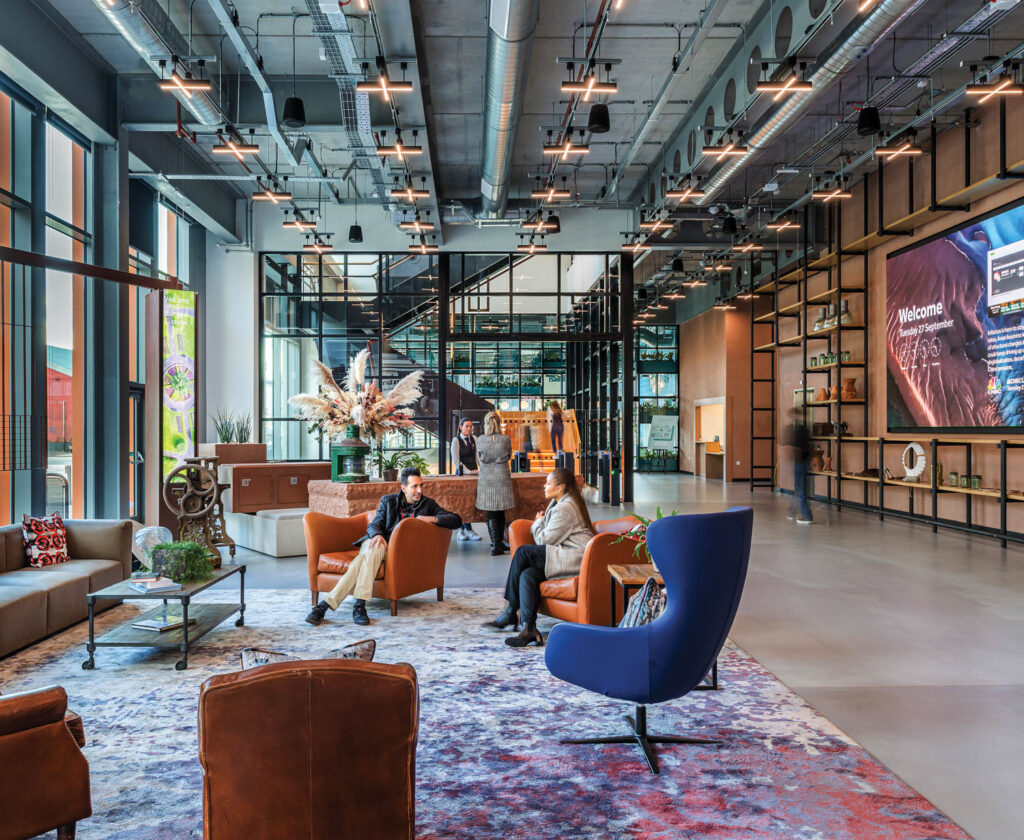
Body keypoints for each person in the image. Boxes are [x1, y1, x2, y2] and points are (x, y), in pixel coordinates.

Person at [305, 467, 462, 626]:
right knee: (376, 548)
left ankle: (323, 607)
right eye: (414, 486)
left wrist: (432, 519)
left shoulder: (428, 505)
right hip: (376, 542)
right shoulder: (388, 501)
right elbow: (373, 525)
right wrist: (378, 535)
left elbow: (456, 519)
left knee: (362, 560)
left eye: (421, 485)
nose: (419, 490)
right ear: (403, 488)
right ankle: (359, 606)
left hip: (397, 552)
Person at [483, 467, 594, 648]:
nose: (545, 486)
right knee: (528, 574)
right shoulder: (563, 502)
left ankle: (511, 611)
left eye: (548, 483)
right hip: (564, 552)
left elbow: (545, 539)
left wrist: (538, 523)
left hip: (574, 557)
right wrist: (542, 522)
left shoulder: (566, 507)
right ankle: (529, 628)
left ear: (560, 487)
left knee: (523, 553)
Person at [475, 410, 513, 556]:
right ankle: (498, 544)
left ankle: (496, 544)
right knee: (501, 510)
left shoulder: (480, 439)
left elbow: (479, 458)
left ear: (486, 424)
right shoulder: (505, 439)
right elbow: (509, 455)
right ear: (498, 423)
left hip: (486, 478)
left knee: (491, 511)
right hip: (502, 476)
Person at [451, 417, 482, 542]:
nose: (469, 429)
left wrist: (481, 469)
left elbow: (478, 457)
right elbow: (456, 461)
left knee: (471, 503)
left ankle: (462, 530)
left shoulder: (474, 439)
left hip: (475, 475)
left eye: (471, 426)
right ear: (460, 427)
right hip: (462, 475)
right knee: (463, 503)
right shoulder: (456, 441)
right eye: (467, 426)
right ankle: (468, 530)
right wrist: (469, 472)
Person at [787, 410, 813, 525]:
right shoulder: (803, 429)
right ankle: (792, 511)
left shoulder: (797, 430)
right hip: (802, 462)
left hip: (800, 462)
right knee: (799, 488)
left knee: (800, 489)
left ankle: (807, 516)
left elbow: (794, 445)